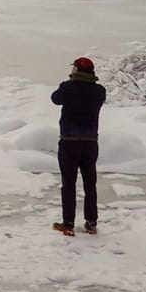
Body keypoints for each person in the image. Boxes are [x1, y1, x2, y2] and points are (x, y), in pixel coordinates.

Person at [51, 56, 105, 236]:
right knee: (90, 182)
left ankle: (68, 223)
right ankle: (91, 222)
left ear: (76, 69)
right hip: (90, 142)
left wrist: (67, 82)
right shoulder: (99, 91)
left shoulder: (67, 88)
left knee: (69, 183)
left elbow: (55, 99)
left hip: (69, 141)